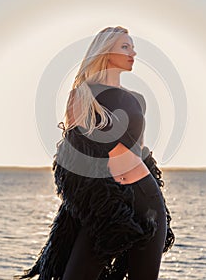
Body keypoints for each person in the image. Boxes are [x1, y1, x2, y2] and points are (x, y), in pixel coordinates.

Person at [13, 26, 175, 280]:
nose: (133, 52)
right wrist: (89, 204)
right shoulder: (83, 94)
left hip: (145, 197)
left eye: (133, 46)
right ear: (106, 50)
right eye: (125, 46)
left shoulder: (138, 99)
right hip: (104, 203)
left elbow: (140, 151)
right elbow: (75, 156)